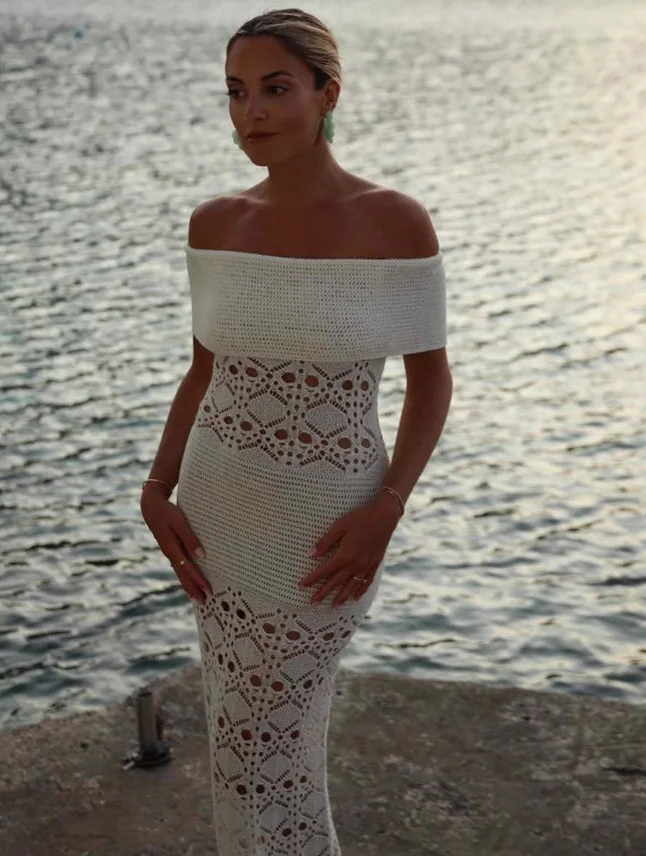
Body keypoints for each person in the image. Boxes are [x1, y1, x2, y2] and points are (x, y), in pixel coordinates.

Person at [140, 8, 453, 854]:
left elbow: (431, 383)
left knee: (273, 744)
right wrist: (154, 489)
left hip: (328, 525)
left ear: (327, 94)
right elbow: (204, 372)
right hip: (216, 512)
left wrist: (388, 508)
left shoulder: (395, 222)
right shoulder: (215, 225)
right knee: (237, 746)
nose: (254, 113)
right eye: (237, 94)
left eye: (277, 89)